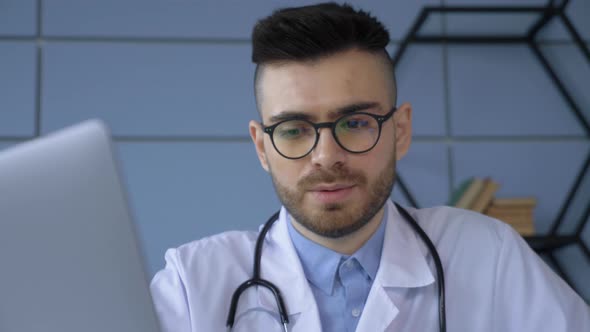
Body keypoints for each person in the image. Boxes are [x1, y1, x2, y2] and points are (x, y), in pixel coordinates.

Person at [150, 3, 590, 331]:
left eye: (356, 123)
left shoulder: (488, 256)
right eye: (294, 129)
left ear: (400, 131)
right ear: (262, 147)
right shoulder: (191, 286)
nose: (326, 156)